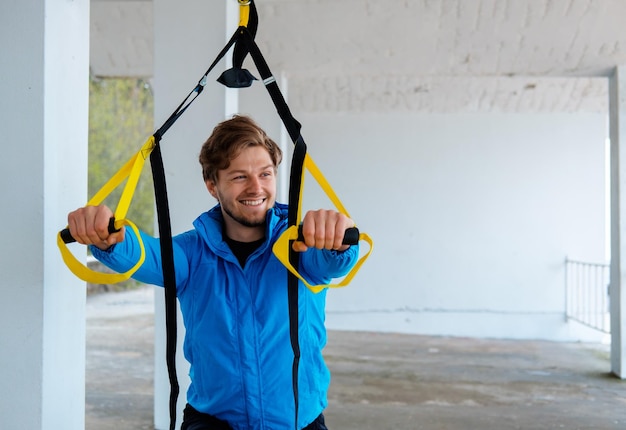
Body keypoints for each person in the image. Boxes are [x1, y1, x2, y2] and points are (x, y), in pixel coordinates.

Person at [67, 115, 359, 430]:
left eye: (265, 174)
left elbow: (334, 260)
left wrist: (338, 237)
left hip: (300, 422)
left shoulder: (301, 246)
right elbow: (142, 253)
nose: (256, 187)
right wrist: (106, 237)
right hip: (213, 422)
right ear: (212, 185)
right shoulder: (190, 254)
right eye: (239, 177)